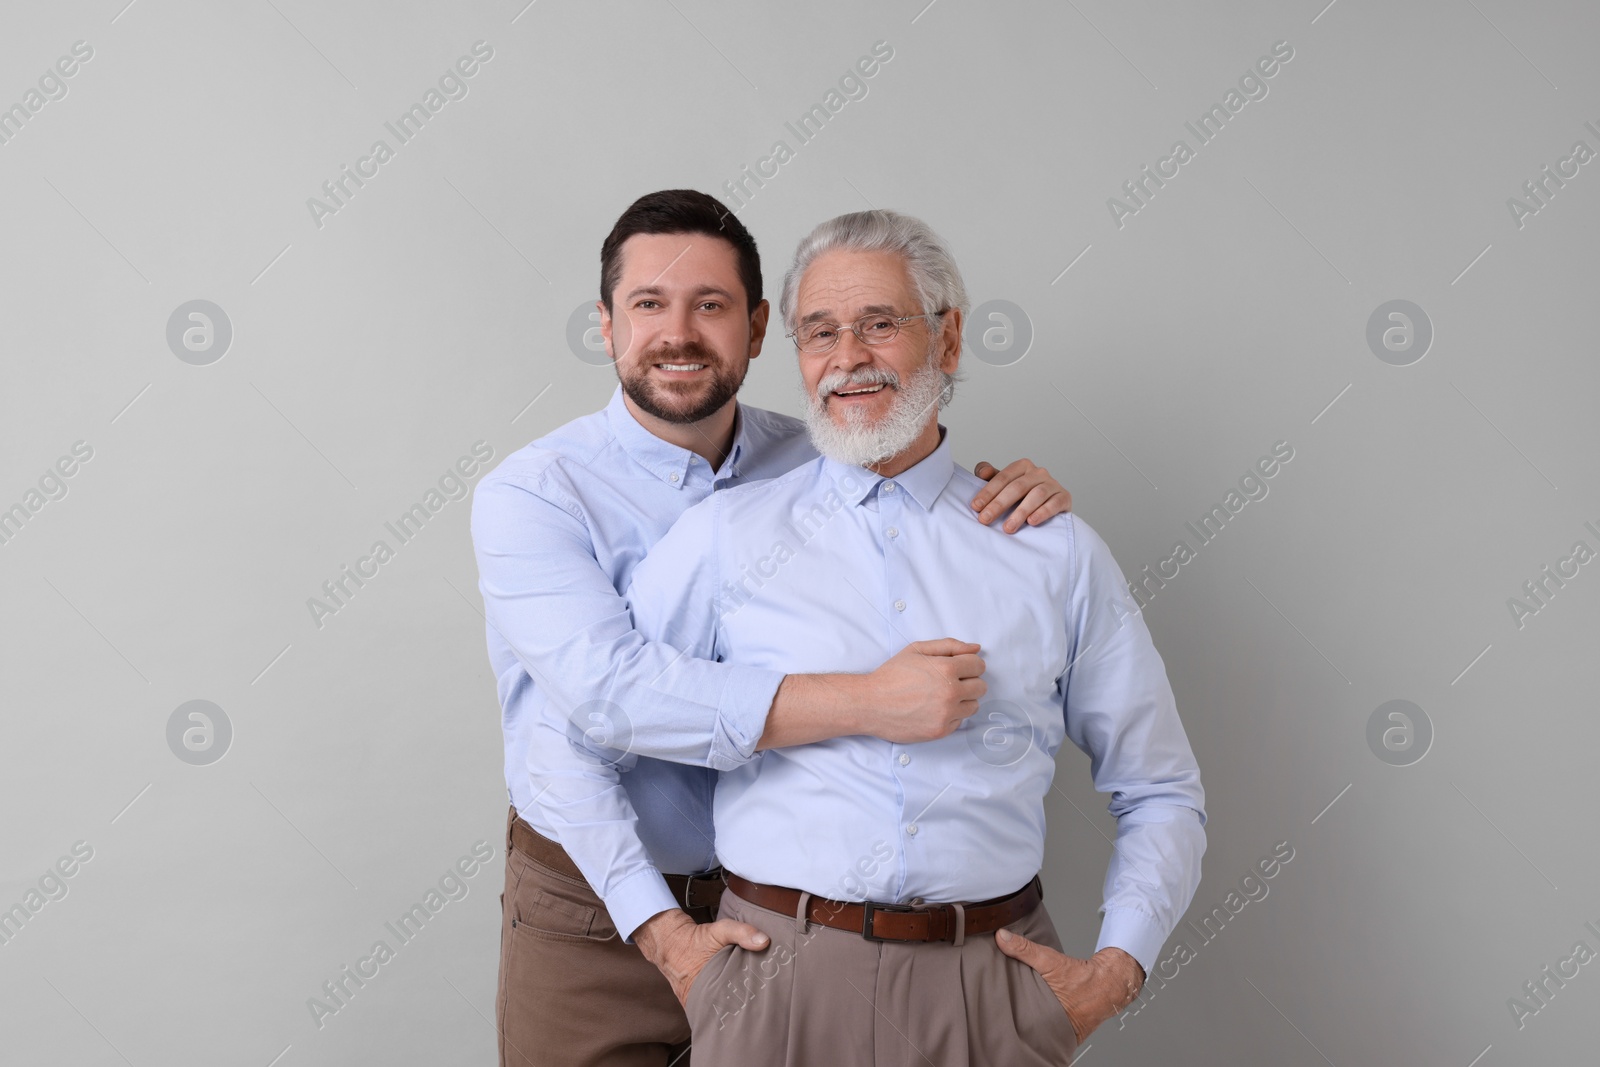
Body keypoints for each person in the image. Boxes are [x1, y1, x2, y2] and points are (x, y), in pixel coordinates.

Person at [539, 208, 1208, 1065]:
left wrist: (1115, 970)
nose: (847, 357)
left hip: (989, 994)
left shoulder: (1053, 550)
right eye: (820, 331)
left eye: (879, 324)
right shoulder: (724, 538)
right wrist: (663, 932)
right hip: (771, 987)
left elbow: (1161, 789)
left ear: (950, 338)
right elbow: (587, 727)